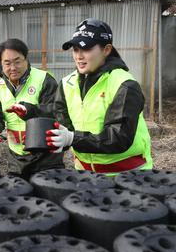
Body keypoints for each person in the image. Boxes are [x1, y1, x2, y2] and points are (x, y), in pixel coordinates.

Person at [47, 18, 153, 173]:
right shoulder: (67, 83)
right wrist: (60, 139)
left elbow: (118, 138)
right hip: (85, 174)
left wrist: (72, 138)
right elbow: (62, 119)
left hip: (128, 176)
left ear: (107, 49)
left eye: (86, 49)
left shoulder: (124, 84)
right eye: (75, 49)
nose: (79, 56)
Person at [0, 39, 64, 180]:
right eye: (7, 63)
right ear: (1, 64)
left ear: (26, 60)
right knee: (19, 196)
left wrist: (30, 111)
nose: (13, 67)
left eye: (17, 61)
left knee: (44, 195)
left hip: (45, 156)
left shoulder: (44, 79)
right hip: (16, 156)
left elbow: (55, 110)